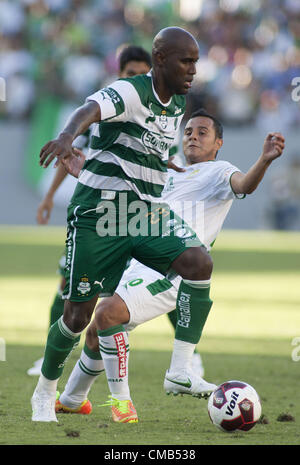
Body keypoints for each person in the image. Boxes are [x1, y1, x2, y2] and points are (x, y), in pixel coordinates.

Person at [32, 26, 214, 424]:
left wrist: (159, 163)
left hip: (144, 214)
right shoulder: (131, 91)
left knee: (198, 262)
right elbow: (88, 110)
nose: (193, 69)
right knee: (77, 318)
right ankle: (45, 390)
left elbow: (147, 145)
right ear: (161, 59)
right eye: (186, 60)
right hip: (100, 215)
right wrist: (66, 136)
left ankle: (180, 370)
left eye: (196, 61)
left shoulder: (178, 101)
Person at [54, 110, 285, 423]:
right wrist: (84, 173)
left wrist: (265, 160)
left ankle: (124, 403)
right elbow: (127, 200)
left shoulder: (218, 172)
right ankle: (72, 400)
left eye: (202, 132)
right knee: (96, 332)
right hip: (139, 262)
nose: (192, 136)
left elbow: (244, 184)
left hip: (175, 271)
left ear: (218, 143)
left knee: (107, 315)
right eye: (188, 131)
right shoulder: (167, 174)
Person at [27, 45, 153, 376]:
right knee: (69, 285)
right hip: (91, 213)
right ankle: (50, 356)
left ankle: (97, 365)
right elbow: (69, 152)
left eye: (143, 75)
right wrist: (50, 196)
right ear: (120, 75)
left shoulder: (154, 118)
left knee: (130, 288)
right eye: (130, 75)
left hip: (130, 217)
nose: (137, 80)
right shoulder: (105, 110)